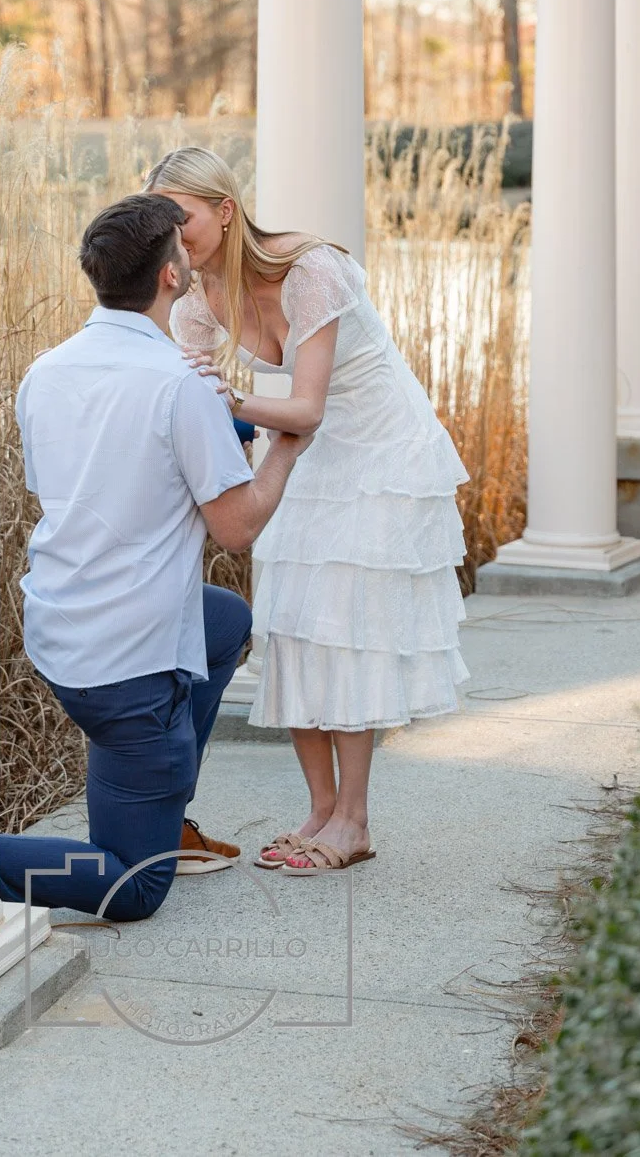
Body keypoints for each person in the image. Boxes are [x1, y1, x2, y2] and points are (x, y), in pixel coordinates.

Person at [146, 148, 469, 876]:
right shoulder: (192, 299)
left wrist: (224, 399)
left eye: (183, 216)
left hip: (377, 452)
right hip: (292, 452)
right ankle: (318, 809)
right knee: (292, 623)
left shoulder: (311, 269)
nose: (173, 233)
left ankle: (353, 820)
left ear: (225, 210)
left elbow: (309, 407)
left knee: (349, 628)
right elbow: (184, 392)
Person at [0, 193, 311, 921]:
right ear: (172, 276)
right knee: (131, 887)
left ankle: (162, 809)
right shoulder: (180, 384)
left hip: (61, 627)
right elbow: (236, 529)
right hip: (126, 666)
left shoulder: (47, 370)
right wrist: (284, 452)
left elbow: (70, 487)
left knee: (225, 618)